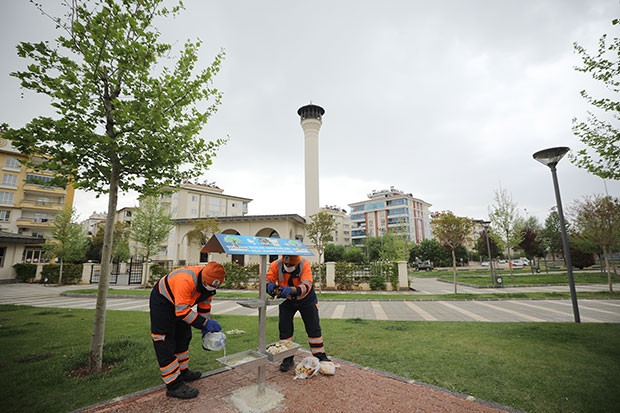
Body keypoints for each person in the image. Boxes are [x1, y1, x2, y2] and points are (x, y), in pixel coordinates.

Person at [149, 262, 226, 399]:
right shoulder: (185, 279)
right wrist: (205, 324)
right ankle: (174, 385)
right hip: (163, 302)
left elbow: (204, 306)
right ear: (203, 278)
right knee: (164, 340)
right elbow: (182, 312)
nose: (211, 288)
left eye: (214, 286)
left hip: (182, 304)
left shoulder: (210, 285)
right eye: (209, 285)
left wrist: (206, 333)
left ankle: (183, 372)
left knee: (183, 336)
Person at [266, 254, 330, 372]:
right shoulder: (276, 265)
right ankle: (287, 358)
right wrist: (270, 287)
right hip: (286, 300)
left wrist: (290, 289)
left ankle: (320, 356)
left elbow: (306, 285)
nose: (289, 266)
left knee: (313, 327)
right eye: (287, 264)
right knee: (285, 329)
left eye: (292, 265)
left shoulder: (304, 263)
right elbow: (267, 280)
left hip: (306, 299)